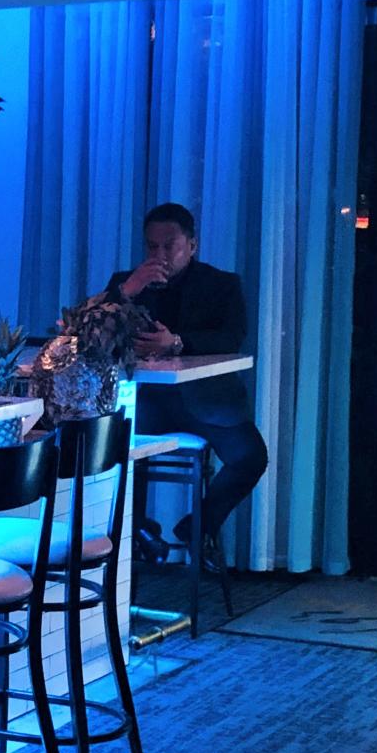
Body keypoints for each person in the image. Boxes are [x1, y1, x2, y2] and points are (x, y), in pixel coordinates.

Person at [105, 202, 267, 562]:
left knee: (251, 457)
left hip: (204, 399)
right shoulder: (126, 284)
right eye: (151, 247)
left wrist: (176, 342)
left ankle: (198, 526)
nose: (159, 255)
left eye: (169, 246)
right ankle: (137, 531)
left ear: (191, 245)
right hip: (144, 399)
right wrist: (128, 291)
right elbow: (90, 329)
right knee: (117, 453)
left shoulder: (221, 284)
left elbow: (232, 337)